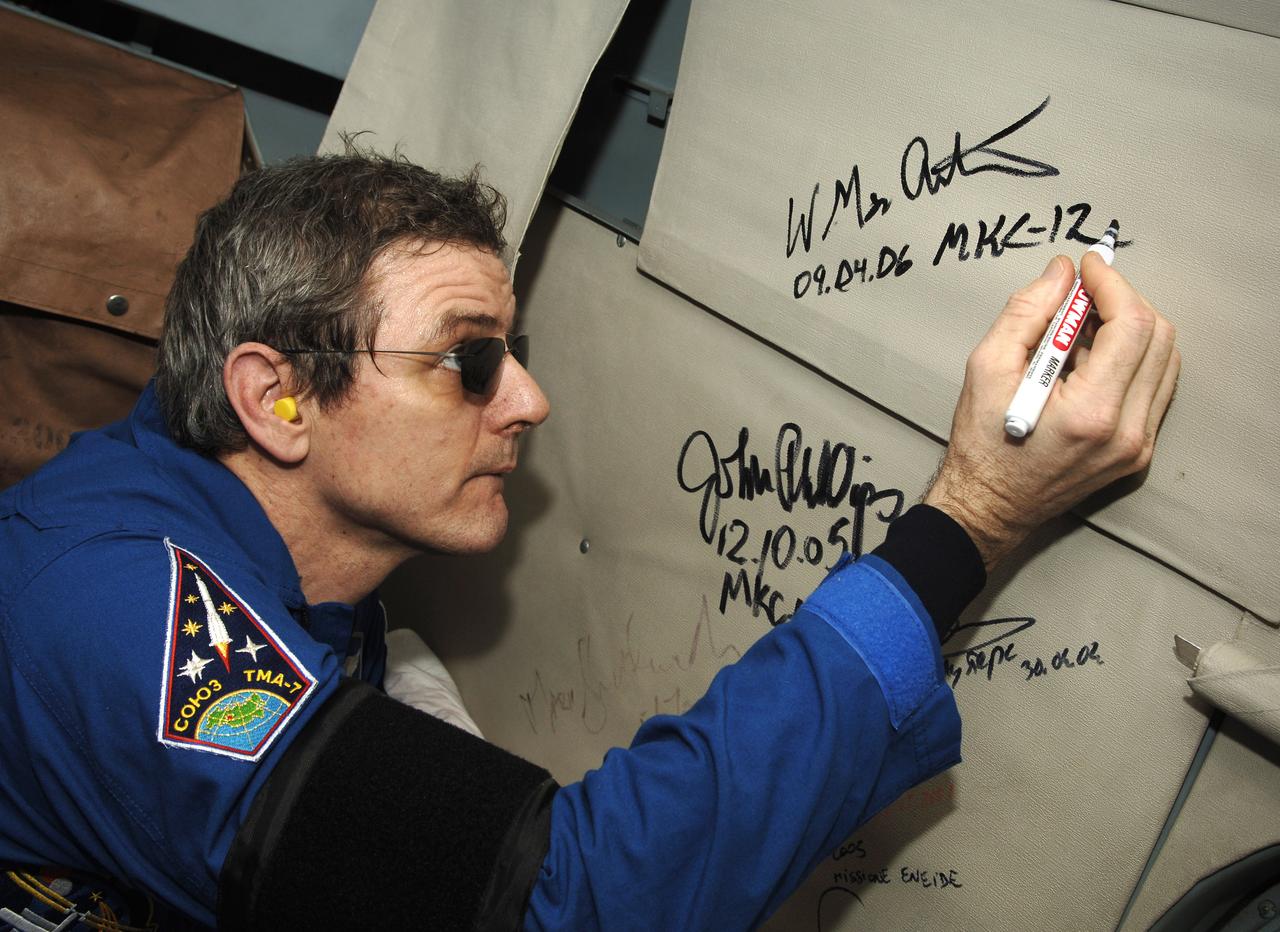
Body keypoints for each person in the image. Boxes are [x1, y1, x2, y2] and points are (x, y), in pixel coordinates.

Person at [0, 151, 1178, 931]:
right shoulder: (122, 607)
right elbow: (557, 903)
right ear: (276, 398)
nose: (526, 399)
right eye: (467, 358)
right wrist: (969, 515)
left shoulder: (253, 546)